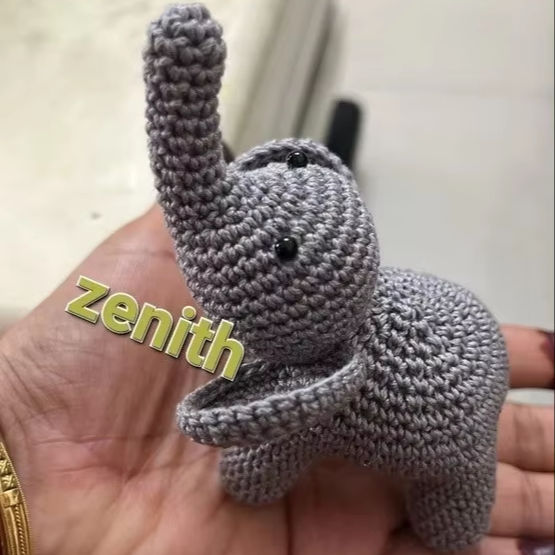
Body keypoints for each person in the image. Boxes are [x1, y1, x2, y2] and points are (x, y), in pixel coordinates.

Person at [0, 206, 552, 555]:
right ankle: (455, 512)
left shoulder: (310, 395)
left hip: (448, 434)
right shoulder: (325, 324)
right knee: (456, 501)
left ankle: (455, 508)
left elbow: (253, 478)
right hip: (470, 340)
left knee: (453, 485)